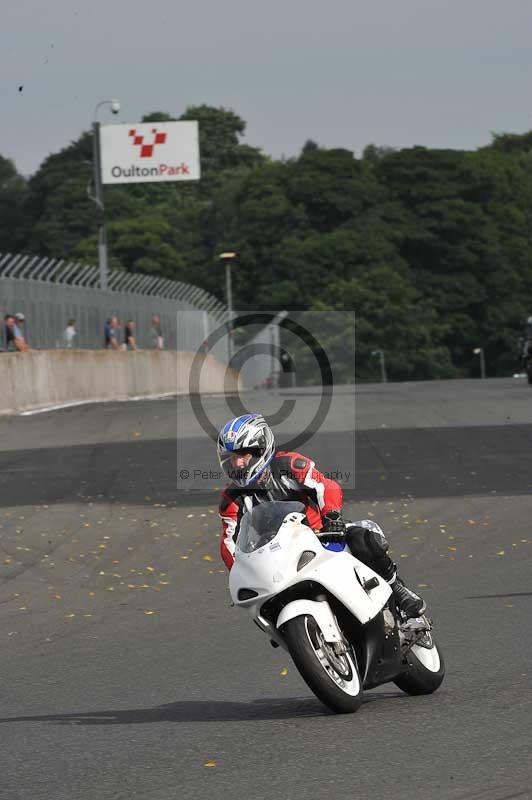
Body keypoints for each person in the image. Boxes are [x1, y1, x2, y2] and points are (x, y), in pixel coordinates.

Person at [217, 413, 426, 619]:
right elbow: (229, 542)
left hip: (320, 537)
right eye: (232, 458)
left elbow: (326, 486)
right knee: (264, 608)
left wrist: (332, 517)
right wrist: (240, 571)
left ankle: (396, 588)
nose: (237, 464)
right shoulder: (230, 499)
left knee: (362, 539)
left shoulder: (289, 465)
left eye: (243, 455)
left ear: (260, 449)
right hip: (276, 557)